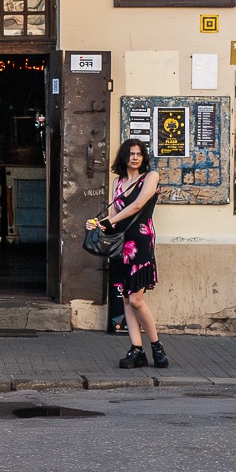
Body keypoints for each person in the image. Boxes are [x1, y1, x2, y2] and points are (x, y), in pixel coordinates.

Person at [91, 139, 168, 369]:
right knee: (126, 297)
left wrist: (108, 221)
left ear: (144, 157)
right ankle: (137, 350)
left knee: (136, 298)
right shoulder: (118, 182)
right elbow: (113, 213)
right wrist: (97, 224)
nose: (135, 157)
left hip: (142, 240)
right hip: (122, 244)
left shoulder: (150, 177)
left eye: (139, 154)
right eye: (131, 154)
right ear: (124, 157)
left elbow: (136, 206)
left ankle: (156, 346)